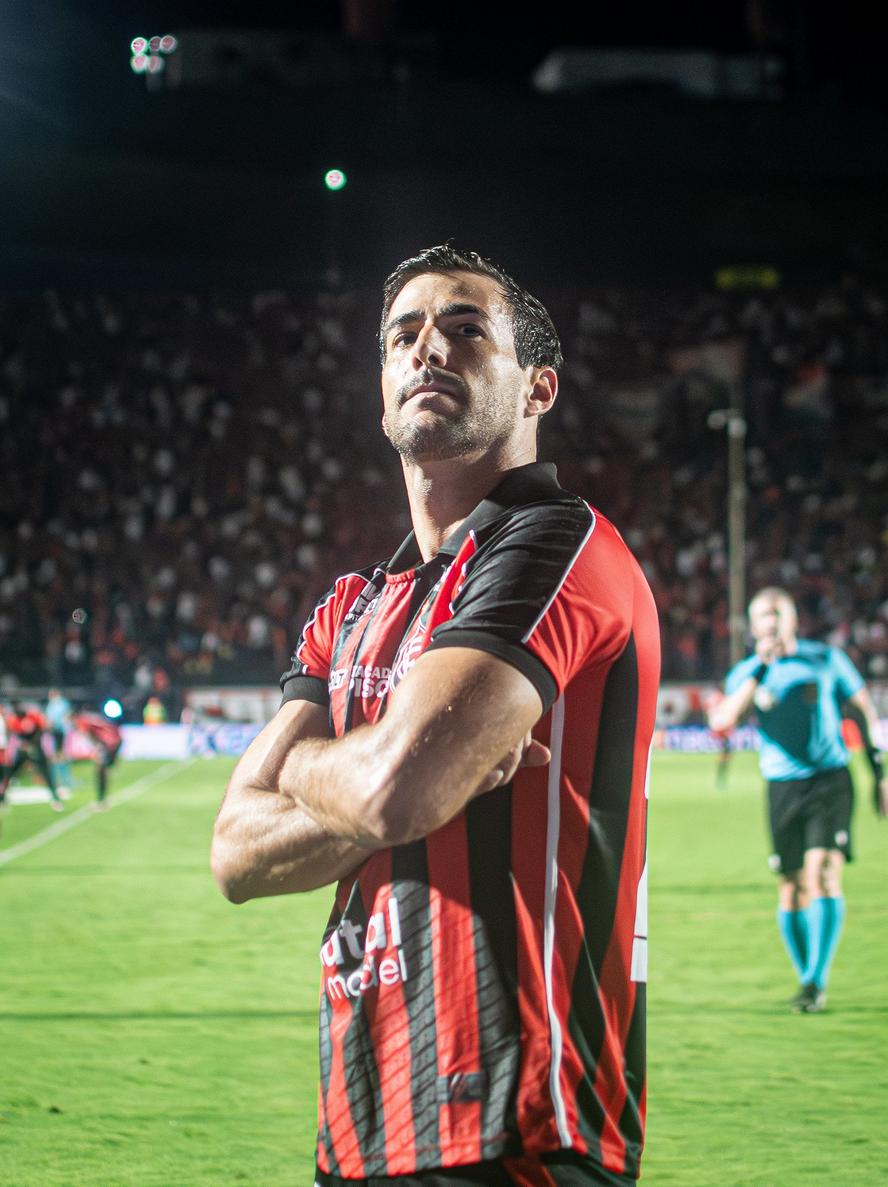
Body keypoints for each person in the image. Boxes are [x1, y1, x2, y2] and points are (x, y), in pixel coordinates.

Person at [212, 245, 660, 1186]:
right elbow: (237, 853)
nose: (428, 349)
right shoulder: (350, 606)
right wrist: (386, 774)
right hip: (362, 1115)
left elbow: (394, 791)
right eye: (402, 336)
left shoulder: (559, 542)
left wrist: (313, 768)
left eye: (465, 329)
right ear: (382, 397)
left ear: (537, 388)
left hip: (519, 1119)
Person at [708, 587, 888, 1013]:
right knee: (791, 888)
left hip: (830, 780)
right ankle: (806, 977)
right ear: (753, 626)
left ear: (794, 620)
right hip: (782, 787)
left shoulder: (826, 659)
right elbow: (724, 720)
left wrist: (881, 775)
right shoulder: (747, 673)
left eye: (779, 613)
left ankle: (815, 981)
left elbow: (864, 711)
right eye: (763, 615)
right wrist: (761, 667)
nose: (771, 622)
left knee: (823, 875)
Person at [1, 702, 63, 811]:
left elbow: (42, 730)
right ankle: (2, 799)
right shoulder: (14, 720)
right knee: (10, 773)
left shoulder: (34, 716)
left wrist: (33, 745)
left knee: (46, 774)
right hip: (23, 749)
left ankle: (55, 798)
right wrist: (24, 745)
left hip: (36, 747)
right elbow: (17, 735)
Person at [72, 708, 122, 809]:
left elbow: (91, 736)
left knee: (100, 771)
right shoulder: (90, 720)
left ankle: (102, 800)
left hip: (109, 744)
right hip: (114, 742)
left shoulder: (83, 722)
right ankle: (102, 799)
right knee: (103, 770)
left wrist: (97, 750)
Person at [46, 687, 73, 795]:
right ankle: (57, 779)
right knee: (56, 756)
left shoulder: (61, 704)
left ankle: (65, 779)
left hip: (61, 731)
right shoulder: (51, 705)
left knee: (61, 755)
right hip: (55, 732)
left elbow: (65, 716)